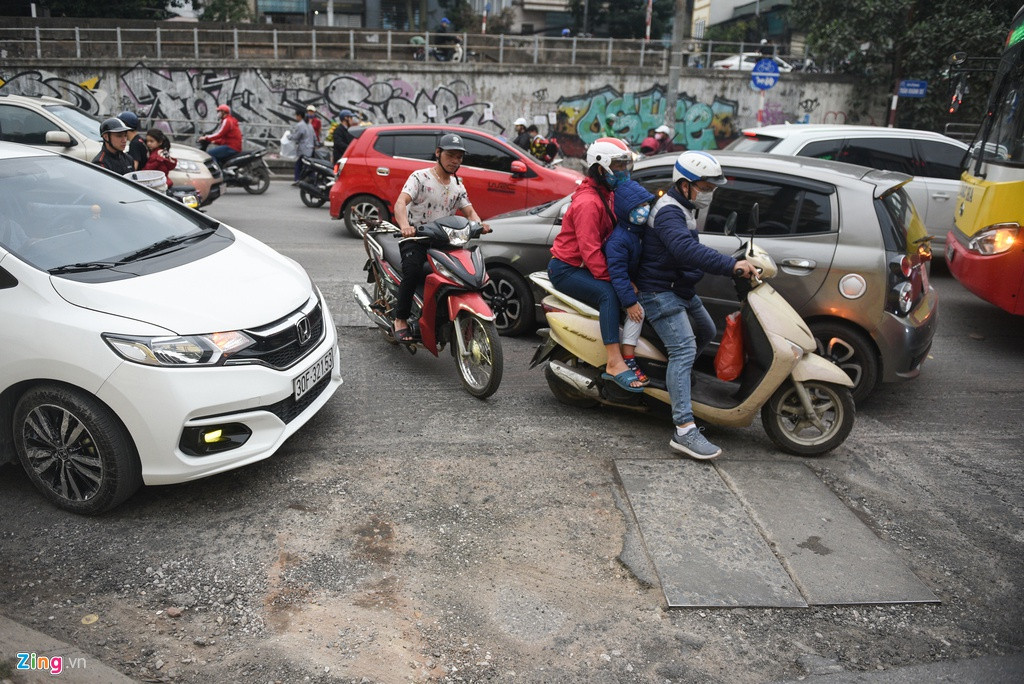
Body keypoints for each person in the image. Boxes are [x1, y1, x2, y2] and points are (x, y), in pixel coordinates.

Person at [635, 151, 758, 460]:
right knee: (685, 349)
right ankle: (684, 430)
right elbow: (686, 250)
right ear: (686, 184)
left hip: (680, 288)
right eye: (705, 186)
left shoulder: (685, 207)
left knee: (705, 329)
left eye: (712, 187)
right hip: (659, 292)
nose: (709, 192)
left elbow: (687, 251)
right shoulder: (668, 212)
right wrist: (731, 266)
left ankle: (674, 384)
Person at [547, 137, 644, 392]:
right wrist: (619, 282)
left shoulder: (606, 193)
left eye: (625, 165)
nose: (623, 172)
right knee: (610, 295)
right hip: (567, 269)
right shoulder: (588, 203)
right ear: (601, 168)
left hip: (586, 266)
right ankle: (614, 361)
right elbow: (590, 252)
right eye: (618, 166)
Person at [391, 133, 491, 341]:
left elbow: (470, 212)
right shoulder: (419, 177)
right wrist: (405, 227)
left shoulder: (457, 186)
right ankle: (400, 318)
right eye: (451, 155)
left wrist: (479, 225)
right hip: (416, 239)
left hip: (446, 240)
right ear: (438, 153)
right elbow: (401, 203)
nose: (455, 161)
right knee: (412, 271)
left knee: (464, 272)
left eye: (459, 157)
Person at [604, 179, 655, 386]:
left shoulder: (639, 232)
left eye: (645, 205)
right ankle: (629, 358)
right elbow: (617, 273)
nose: (643, 210)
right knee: (638, 314)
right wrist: (630, 302)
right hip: (621, 287)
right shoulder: (619, 240)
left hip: (631, 282)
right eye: (638, 207)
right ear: (626, 211)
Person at [289, 108, 315, 183]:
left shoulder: (300, 125)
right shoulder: (310, 125)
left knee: (299, 165)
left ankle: (298, 179)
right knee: (308, 165)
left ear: (299, 116)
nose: (296, 118)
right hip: (310, 148)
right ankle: (311, 179)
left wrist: (289, 136)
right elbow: (314, 136)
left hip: (304, 149)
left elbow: (297, 136)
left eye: (296, 116)